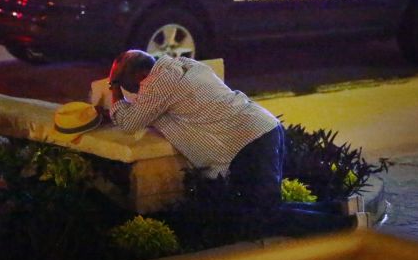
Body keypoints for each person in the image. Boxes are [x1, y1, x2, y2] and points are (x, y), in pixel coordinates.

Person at [107, 51, 360, 232]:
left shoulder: (159, 82)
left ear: (142, 75)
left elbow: (129, 123)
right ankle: (341, 209)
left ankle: (351, 226)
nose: (140, 94)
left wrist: (114, 87)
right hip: (260, 131)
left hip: (248, 141)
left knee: (262, 216)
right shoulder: (182, 65)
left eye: (134, 87)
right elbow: (153, 110)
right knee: (265, 207)